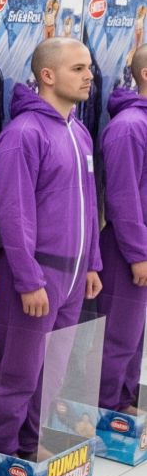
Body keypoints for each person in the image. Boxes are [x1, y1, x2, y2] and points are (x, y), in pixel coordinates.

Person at [0, 39, 102, 460]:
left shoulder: (79, 131)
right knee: (17, 373)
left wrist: (92, 263)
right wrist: (28, 279)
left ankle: (28, 445)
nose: (89, 76)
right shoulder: (24, 134)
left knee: (51, 371)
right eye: (78, 69)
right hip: (36, 275)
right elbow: (14, 213)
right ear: (48, 75)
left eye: (88, 67)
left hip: (73, 274)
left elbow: (90, 203)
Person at [96, 46, 147, 415]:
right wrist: (138, 253)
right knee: (117, 336)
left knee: (134, 334)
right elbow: (122, 197)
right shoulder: (129, 127)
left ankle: (123, 405)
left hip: (139, 246)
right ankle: (105, 410)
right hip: (126, 248)